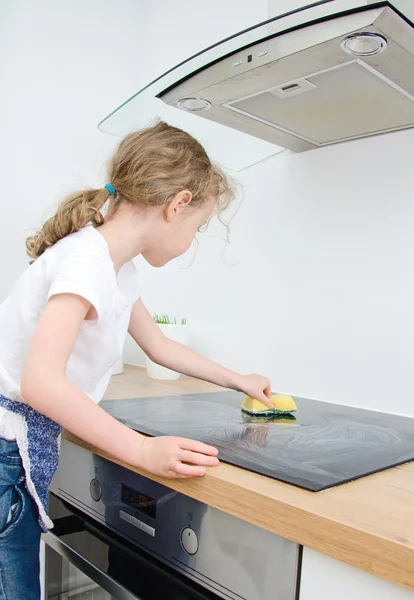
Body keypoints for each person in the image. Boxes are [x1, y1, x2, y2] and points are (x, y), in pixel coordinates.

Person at [0, 121, 272, 599]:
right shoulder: (86, 262)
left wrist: (237, 379)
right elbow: (41, 382)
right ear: (177, 204)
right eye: (199, 226)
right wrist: (142, 450)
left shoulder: (113, 267)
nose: (193, 239)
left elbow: (159, 347)